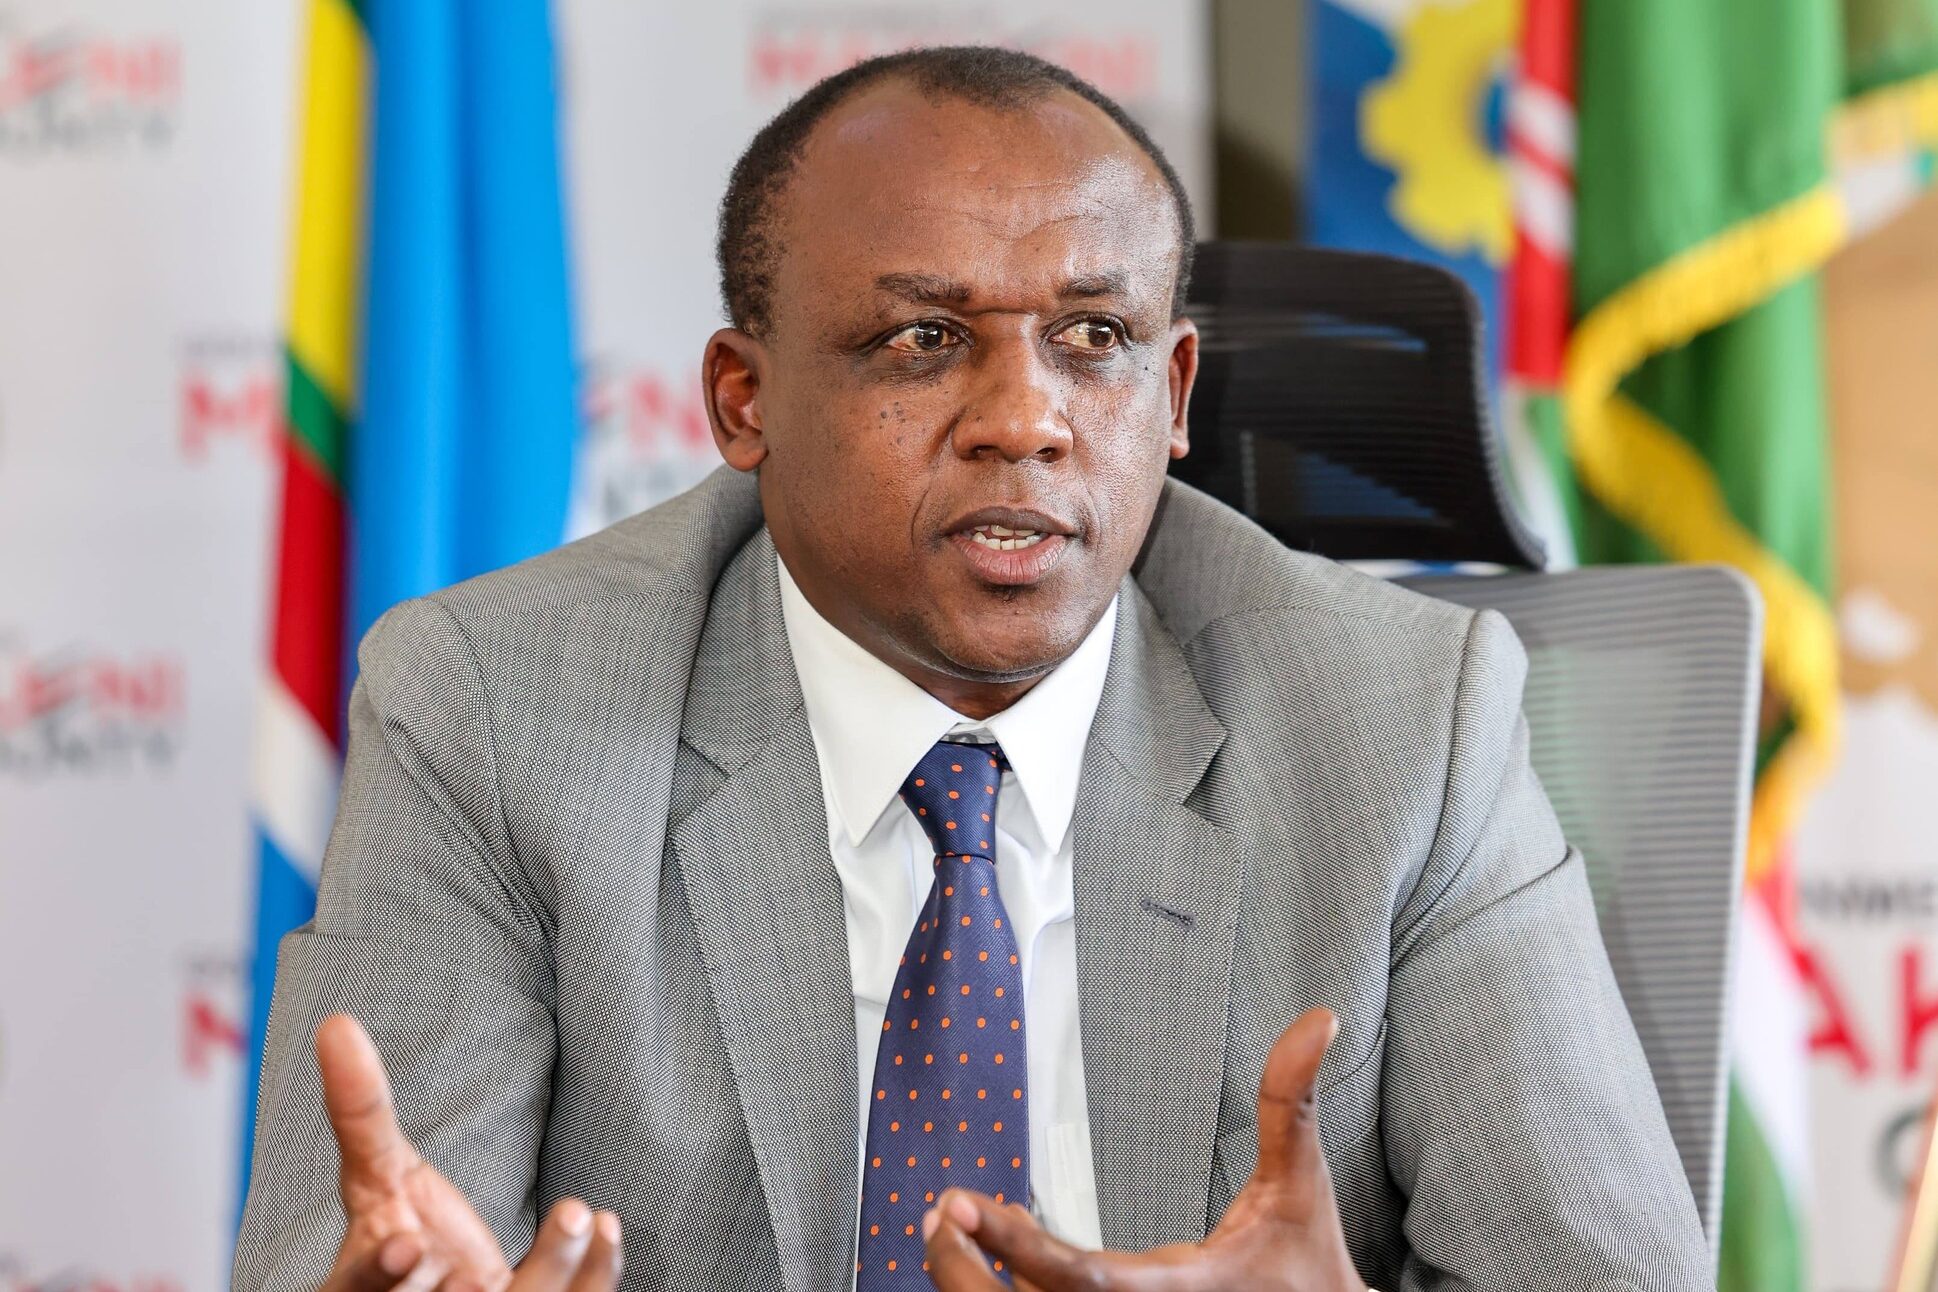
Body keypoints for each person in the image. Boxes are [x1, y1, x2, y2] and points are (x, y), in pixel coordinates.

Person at [234, 45, 1712, 1292]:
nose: (1026, 419)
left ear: (1174, 395)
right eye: (924, 339)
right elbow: (369, 1247)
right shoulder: (497, 709)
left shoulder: (1401, 722)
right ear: (743, 401)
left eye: (1094, 338)